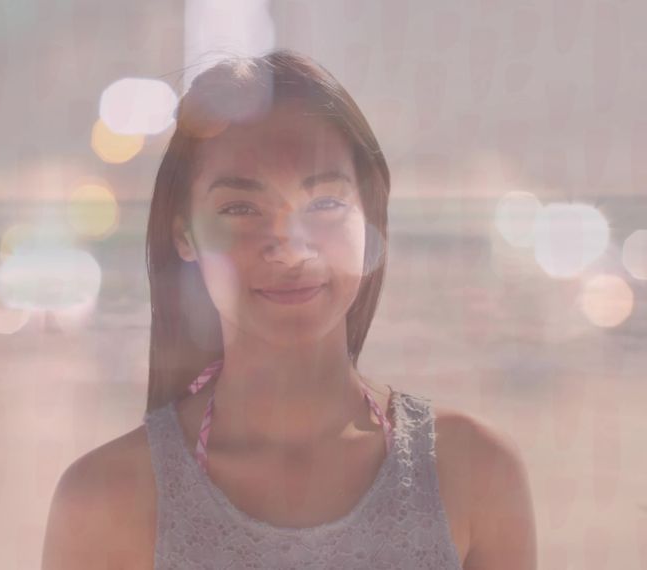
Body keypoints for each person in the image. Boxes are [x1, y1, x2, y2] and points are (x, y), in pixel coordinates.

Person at [42, 50, 536, 569]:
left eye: (324, 203)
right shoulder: (109, 500)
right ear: (184, 233)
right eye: (240, 208)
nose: (291, 247)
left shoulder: (474, 473)